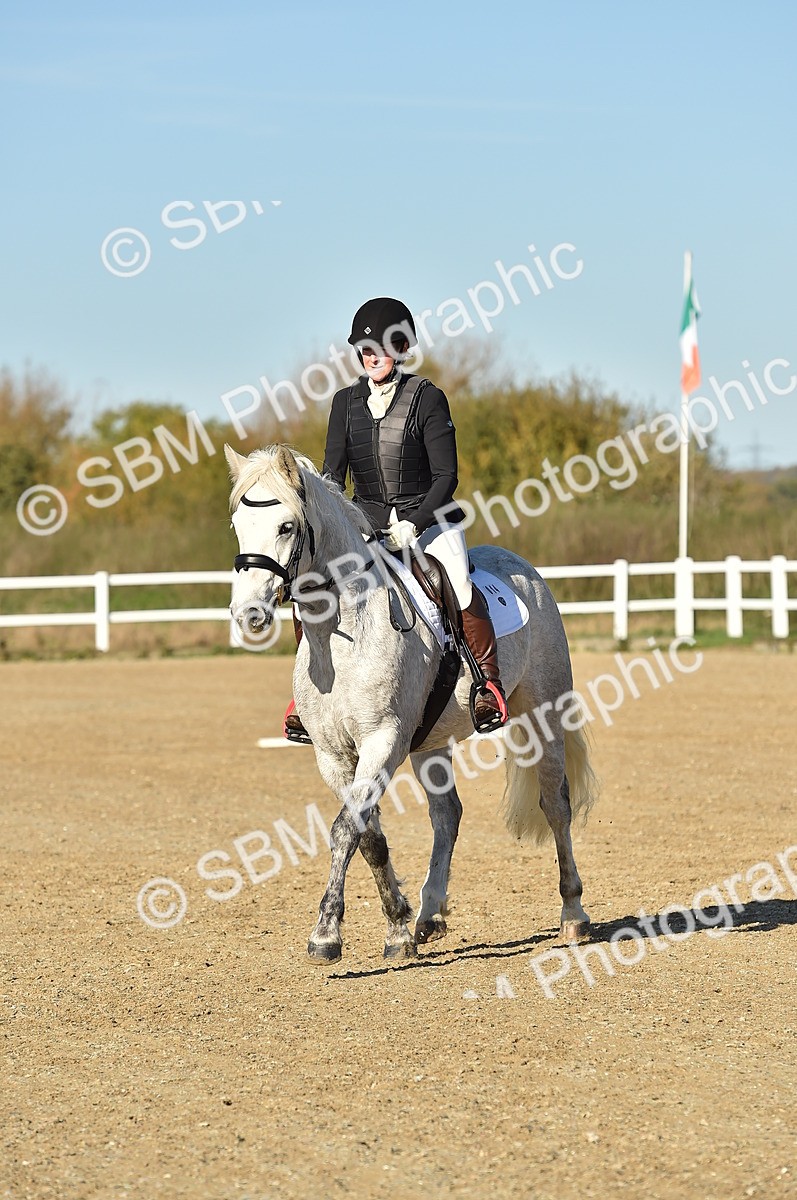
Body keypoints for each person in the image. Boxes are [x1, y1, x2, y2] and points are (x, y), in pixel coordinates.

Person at [284, 297, 509, 743]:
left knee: (458, 584)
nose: (372, 358)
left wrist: (415, 521)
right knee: (310, 585)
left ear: (402, 348)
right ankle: (307, 690)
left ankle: (487, 684)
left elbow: (448, 476)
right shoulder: (344, 404)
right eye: (365, 351)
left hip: (429, 519)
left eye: (381, 349)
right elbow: (332, 477)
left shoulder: (427, 399)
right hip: (364, 526)